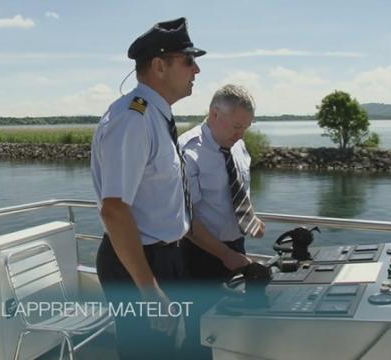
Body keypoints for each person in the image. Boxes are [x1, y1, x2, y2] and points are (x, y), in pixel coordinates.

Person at [90, 17, 205, 360]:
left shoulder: (156, 115)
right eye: (188, 60)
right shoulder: (133, 119)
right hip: (139, 264)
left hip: (164, 256)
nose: (196, 69)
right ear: (159, 65)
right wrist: (148, 288)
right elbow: (114, 208)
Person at [178, 84, 266, 359]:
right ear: (215, 114)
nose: (241, 134)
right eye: (237, 126)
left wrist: (251, 218)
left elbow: (238, 188)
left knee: (232, 327)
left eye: (246, 128)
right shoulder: (187, 150)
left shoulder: (237, 145)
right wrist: (225, 254)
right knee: (202, 331)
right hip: (199, 255)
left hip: (234, 248)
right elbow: (186, 219)